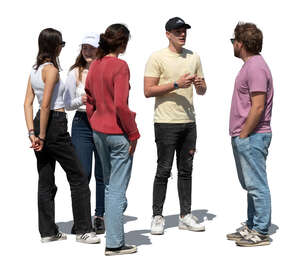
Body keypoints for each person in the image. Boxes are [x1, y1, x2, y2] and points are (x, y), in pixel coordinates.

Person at [24, 28, 101, 244]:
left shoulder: (34, 69)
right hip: (54, 124)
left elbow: (28, 103)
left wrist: (32, 132)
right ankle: (84, 230)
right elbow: (48, 104)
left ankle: (48, 231)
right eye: (61, 44)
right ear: (55, 46)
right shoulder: (52, 71)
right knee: (78, 177)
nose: (62, 47)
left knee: (46, 179)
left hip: (39, 122)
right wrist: (41, 135)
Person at [144, 17, 207, 235]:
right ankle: (157, 216)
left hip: (189, 122)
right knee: (163, 170)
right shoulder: (156, 57)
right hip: (165, 122)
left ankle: (185, 215)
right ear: (167, 34)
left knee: (186, 170)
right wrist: (176, 84)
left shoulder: (194, 56)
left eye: (184, 31)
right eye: (177, 31)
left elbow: (202, 90)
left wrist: (200, 85)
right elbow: (147, 90)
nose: (182, 34)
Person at [85, 24, 140, 256]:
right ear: (124, 43)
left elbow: (89, 99)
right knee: (116, 189)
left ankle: (114, 232)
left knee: (109, 185)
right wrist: (134, 132)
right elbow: (120, 104)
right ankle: (115, 243)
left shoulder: (95, 65)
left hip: (99, 131)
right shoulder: (120, 66)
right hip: (118, 134)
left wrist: (94, 121)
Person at [227, 22, 274, 247]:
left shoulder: (255, 67)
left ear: (241, 44)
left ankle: (261, 230)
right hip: (247, 135)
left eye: (233, 41)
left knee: (257, 184)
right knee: (250, 184)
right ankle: (252, 224)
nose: (232, 45)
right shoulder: (251, 65)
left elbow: (258, 106)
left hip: (253, 136)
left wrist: (244, 134)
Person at [64, 33, 105, 234]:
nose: (87, 51)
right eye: (84, 47)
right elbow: (66, 104)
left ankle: (100, 216)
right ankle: (81, 218)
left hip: (102, 121)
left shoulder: (106, 68)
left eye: (91, 47)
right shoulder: (75, 73)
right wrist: (82, 99)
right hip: (82, 123)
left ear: (99, 49)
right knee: (82, 173)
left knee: (102, 173)